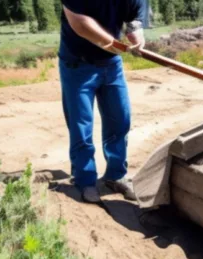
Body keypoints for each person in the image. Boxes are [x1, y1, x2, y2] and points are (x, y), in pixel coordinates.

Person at [59, 0, 146, 203]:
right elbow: (80, 24)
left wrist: (136, 37)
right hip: (77, 65)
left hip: (112, 64)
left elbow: (134, 19)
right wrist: (116, 45)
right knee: (81, 125)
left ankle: (116, 176)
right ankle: (85, 180)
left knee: (120, 120)